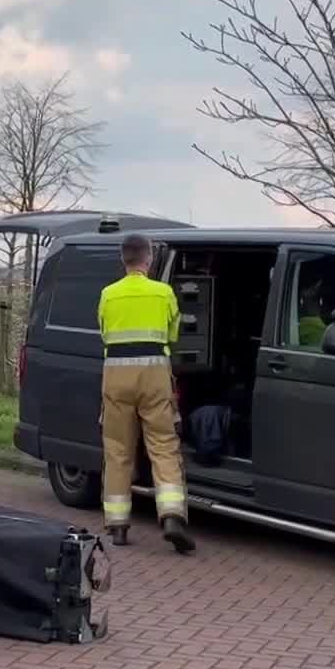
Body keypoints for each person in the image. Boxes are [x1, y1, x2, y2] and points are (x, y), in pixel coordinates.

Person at [97, 233, 195, 554]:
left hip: (116, 376)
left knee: (117, 450)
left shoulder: (108, 295)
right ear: (149, 259)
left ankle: (118, 526)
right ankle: (171, 517)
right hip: (154, 374)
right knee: (164, 446)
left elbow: (104, 333)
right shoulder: (163, 292)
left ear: (122, 260)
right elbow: (174, 332)